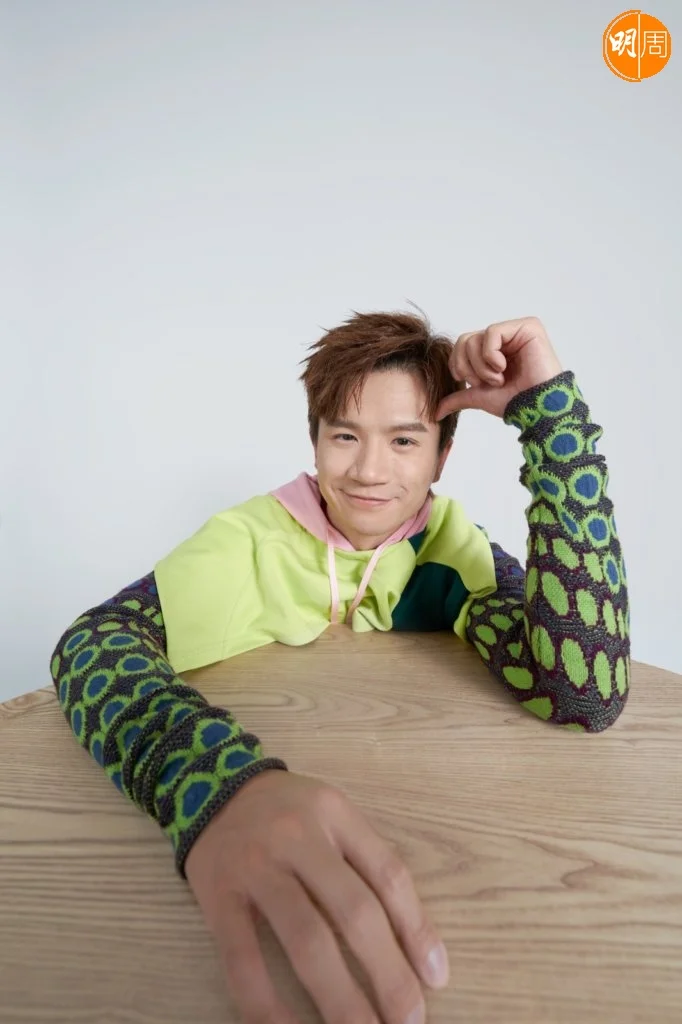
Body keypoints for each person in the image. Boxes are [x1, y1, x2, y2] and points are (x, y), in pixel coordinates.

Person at [50, 311, 629, 1024]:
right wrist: (214, 783)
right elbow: (93, 643)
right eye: (345, 435)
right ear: (316, 442)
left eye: (404, 440)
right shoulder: (247, 541)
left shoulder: (452, 547)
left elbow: (584, 691)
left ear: (442, 456)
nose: (369, 471)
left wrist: (550, 420)